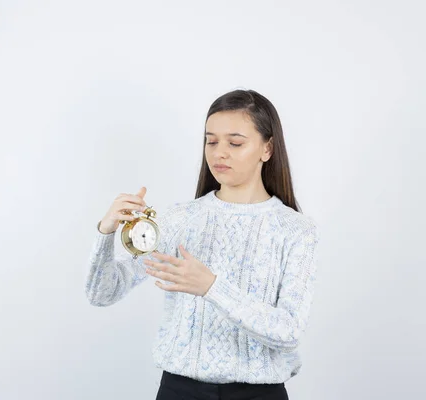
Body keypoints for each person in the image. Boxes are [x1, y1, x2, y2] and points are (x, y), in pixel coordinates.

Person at [84, 89, 319, 400]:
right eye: (211, 141)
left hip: (258, 395)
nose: (219, 153)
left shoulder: (295, 230)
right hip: (180, 390)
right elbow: (102, 293)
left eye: (235, 143)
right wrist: (106, 232)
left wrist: (211, 286)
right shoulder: (180, 219)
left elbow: (288, 332)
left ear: (267, 148)